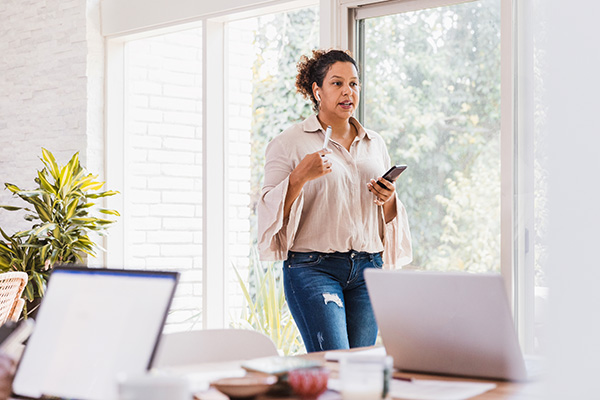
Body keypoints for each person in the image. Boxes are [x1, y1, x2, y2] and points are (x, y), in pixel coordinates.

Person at [257, 49, 412, 353]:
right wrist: (299, 175)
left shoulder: (374, 143)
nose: (347, 92)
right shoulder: (289, 142)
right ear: (317, 91)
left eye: (354, 84)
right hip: (314, 268)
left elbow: (388, 211)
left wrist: (388, 198)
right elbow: (266, 211)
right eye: (337, 83)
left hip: (369, 267)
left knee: (360, 369)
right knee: (336, 366)